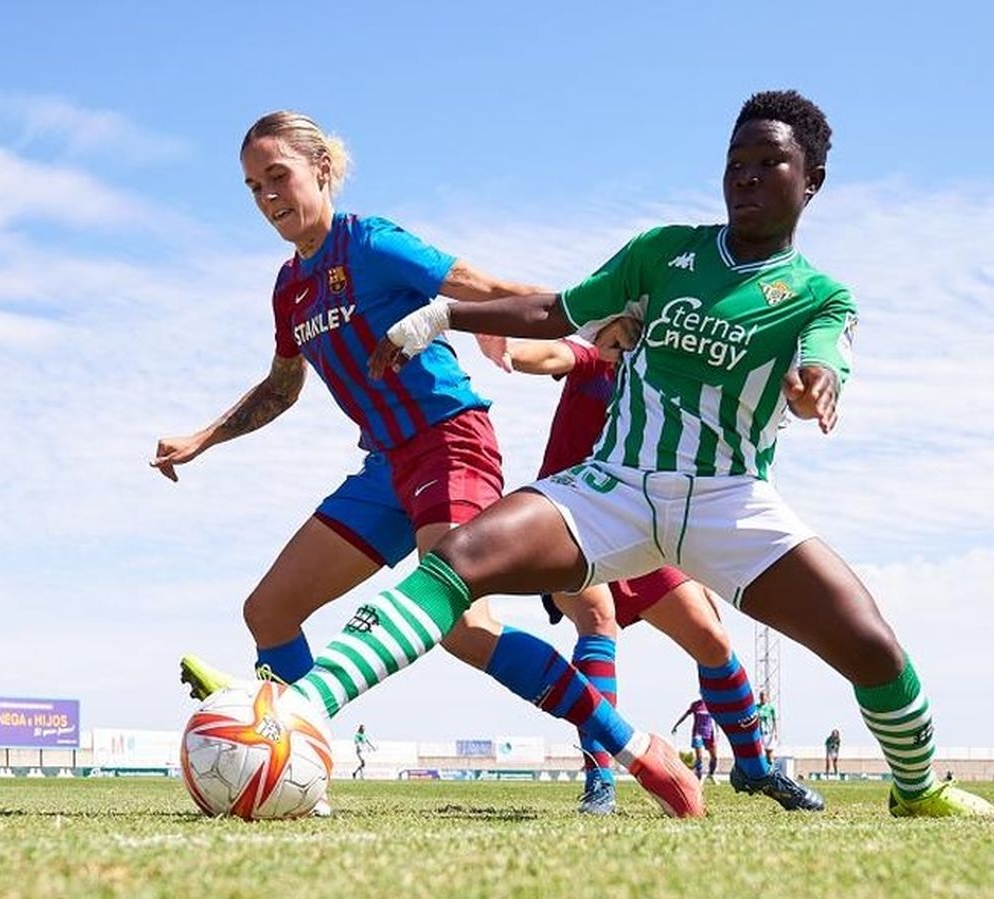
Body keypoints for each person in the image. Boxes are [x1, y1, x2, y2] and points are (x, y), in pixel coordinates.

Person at [278, 89, 994, 818]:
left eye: (769, 162)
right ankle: (295, 714)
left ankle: (918, 789)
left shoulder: (820, 296)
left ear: (811, 181)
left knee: (872, 646)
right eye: (736, 162)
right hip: (613, 487)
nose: (747, 176)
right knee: (457, 560)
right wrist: (444, 314)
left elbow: (824, 359)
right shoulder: (663, 252)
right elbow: (556, 311)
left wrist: (816, 385)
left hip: (727, 499)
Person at [162, 111, 697, 816]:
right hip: (385, 467)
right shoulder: (289, 287)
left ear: (321, 169)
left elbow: (482, 285)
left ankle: (634, 748)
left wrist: (594, 323)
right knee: (270, 611)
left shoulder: (372, 243)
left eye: (277, 177)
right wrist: (203, 438)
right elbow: (282, 387)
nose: (267, 197)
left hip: (451, 440)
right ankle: (300, 776)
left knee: (462, 628)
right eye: (253, 187)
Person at [511, 335, 817, 814]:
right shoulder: (596, 358)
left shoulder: (670, 378)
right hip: (570, 517)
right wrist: (506, 349)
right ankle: (600, 780)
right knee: (598, 619)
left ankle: (755, 769)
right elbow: (549, 354)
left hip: (638, 521)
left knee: (711, 638)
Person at [672, 698, 718, 782]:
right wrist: (676, 725)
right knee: (699, 757)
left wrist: (718, 732)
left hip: (709, 733)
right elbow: (685, 715)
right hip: (697, 733)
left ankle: (711, 774)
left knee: (714, 757)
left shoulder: (712, 704)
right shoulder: (695, 705)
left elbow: (718, 719)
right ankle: (698, 778)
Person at [757, 691, 779, 764]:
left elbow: (774, 720)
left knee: (769, 752)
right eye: (761, 696)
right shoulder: (756, 707)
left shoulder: (770, 708)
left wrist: (775, 732)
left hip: (768, 732)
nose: (763, 698)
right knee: (759, 752)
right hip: (759, 732)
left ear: (766, 697)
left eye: (764, 696)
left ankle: (770, 765)